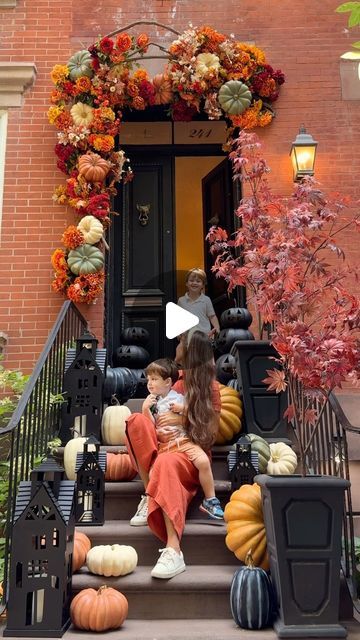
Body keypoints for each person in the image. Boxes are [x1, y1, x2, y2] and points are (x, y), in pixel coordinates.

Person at [125, 331, 221, 579]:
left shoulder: (210, 388)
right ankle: (149, 494)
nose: (176, 346)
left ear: (190, 351)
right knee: (134, 420)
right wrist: (148, 413)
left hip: (190, 450)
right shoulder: (173, 384)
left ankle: (173, 549)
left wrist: (184, 417)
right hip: (166, 445)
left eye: (180, 343)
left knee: (166, 463)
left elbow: (210, 435)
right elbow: (155, 423)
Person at [141, 357, 224, 520]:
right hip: (166, 446)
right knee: (154, 473)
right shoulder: (150, 403)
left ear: (168, 382)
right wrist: (145, 410)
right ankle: (152, 501)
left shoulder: (177, 397)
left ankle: (210, 500)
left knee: (203, 462)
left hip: (185, 442)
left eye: (154, 379)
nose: (149, 383)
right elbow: (149, 425)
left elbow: (197, 413)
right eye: (148, 379)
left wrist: (183, 409)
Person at [177, 268, 220, 338]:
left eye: (198, 281)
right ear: (186, 283)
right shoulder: (181, 301)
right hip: (187, 337)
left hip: (204, 336)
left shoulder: (206, 300)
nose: (194, 283)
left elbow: (212, 316)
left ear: (203, 285)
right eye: (191, 280)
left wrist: (217, 329)